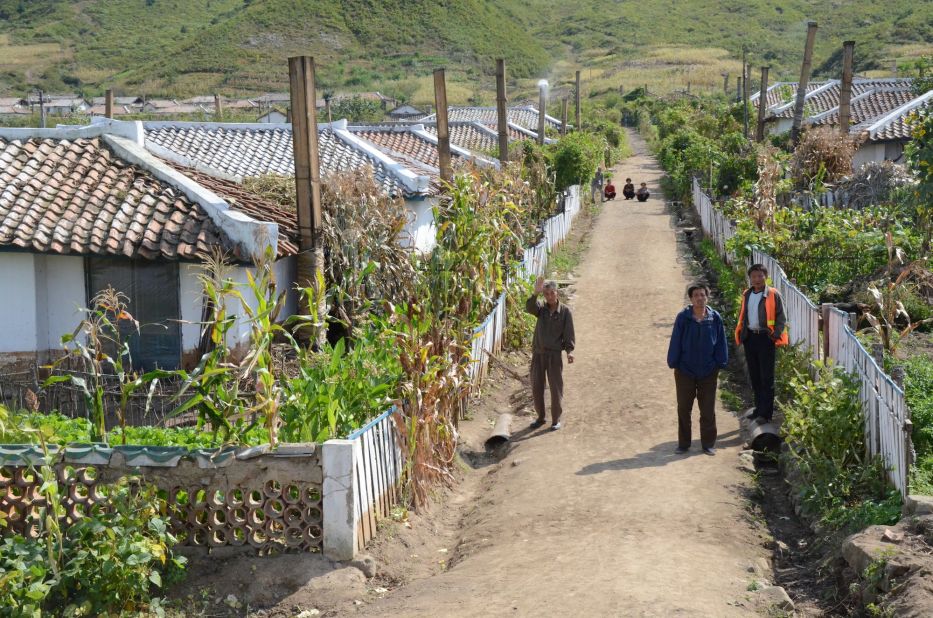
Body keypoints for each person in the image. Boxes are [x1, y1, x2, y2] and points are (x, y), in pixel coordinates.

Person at [667, 283, 728, 455]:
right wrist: (674, 362)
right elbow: (676, 340)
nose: (700, 298)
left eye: (703, 295)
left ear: (707, 297)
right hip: (685, 370)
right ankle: (684, 444)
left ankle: (708, 444)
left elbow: (721, 342)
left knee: (708, 409)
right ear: (691, 299)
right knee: (684, 408)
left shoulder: (714, 318)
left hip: (708, 371)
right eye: (696, 296)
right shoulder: (683, 318)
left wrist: (719, 363)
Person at [735, 264, 788, 424]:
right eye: (754, 277)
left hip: (766, 338)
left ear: (765, 276)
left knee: (766, 378)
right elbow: (744, 316)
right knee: (755, 376)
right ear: (750, 278)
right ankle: (758, 409)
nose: (757, 279)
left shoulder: (773, 294)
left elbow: (781, 318)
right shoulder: (747, 294)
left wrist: (774, 335)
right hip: (750, 338)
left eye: (760, 276)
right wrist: (743, 335)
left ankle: (766, 414)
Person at [526, 277, 575, 431]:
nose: (549, 296)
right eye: (546, 294)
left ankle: (556, 420)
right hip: (538, 354)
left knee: (556, 388)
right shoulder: (541, 309)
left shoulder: (565, 312)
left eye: (552, 293)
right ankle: (540, 418)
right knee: (537, 387)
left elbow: (569, 334)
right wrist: (535, 293)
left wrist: (569, 351)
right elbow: (530, 308)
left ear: (557, 294)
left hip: (554, 355)